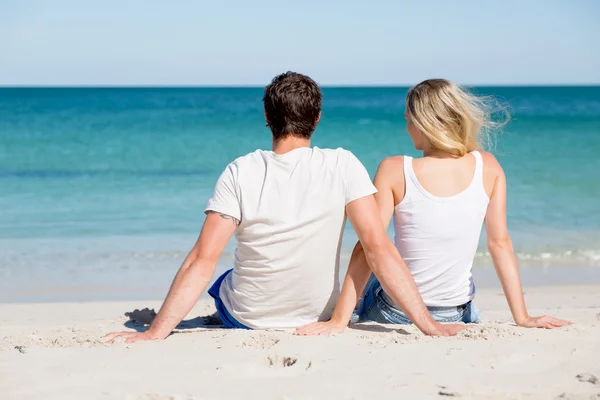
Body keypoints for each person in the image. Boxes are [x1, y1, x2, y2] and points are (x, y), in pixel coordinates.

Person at [105, 73, 465, 344]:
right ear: (317, 117)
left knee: (220, 281)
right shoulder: (343, 164)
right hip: (318, 315)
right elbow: (378, 248)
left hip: (248, 318)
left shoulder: (241, 170)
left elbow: (202, 258)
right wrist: (428, 325)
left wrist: (156, 331)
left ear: (267, 115)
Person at [296, 79, 571, 336]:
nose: (407, 128)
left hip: (396, 312)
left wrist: (338, 321)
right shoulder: (488, 167)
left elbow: (367, 249)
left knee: (374, 276)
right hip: (457, 313)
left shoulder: (395, 169)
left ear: (423, 123)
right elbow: (500, 244)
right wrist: (522, 316)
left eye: (408, 121)